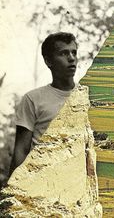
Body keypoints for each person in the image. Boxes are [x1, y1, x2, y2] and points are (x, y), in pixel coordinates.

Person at [9, 32, 78, 176]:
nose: (71, 58)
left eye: (74, 52)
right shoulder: (33, 99)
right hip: (42, 179)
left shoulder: (88, 96)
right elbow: (21, 150)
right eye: (64, 53)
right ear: (49, 61)